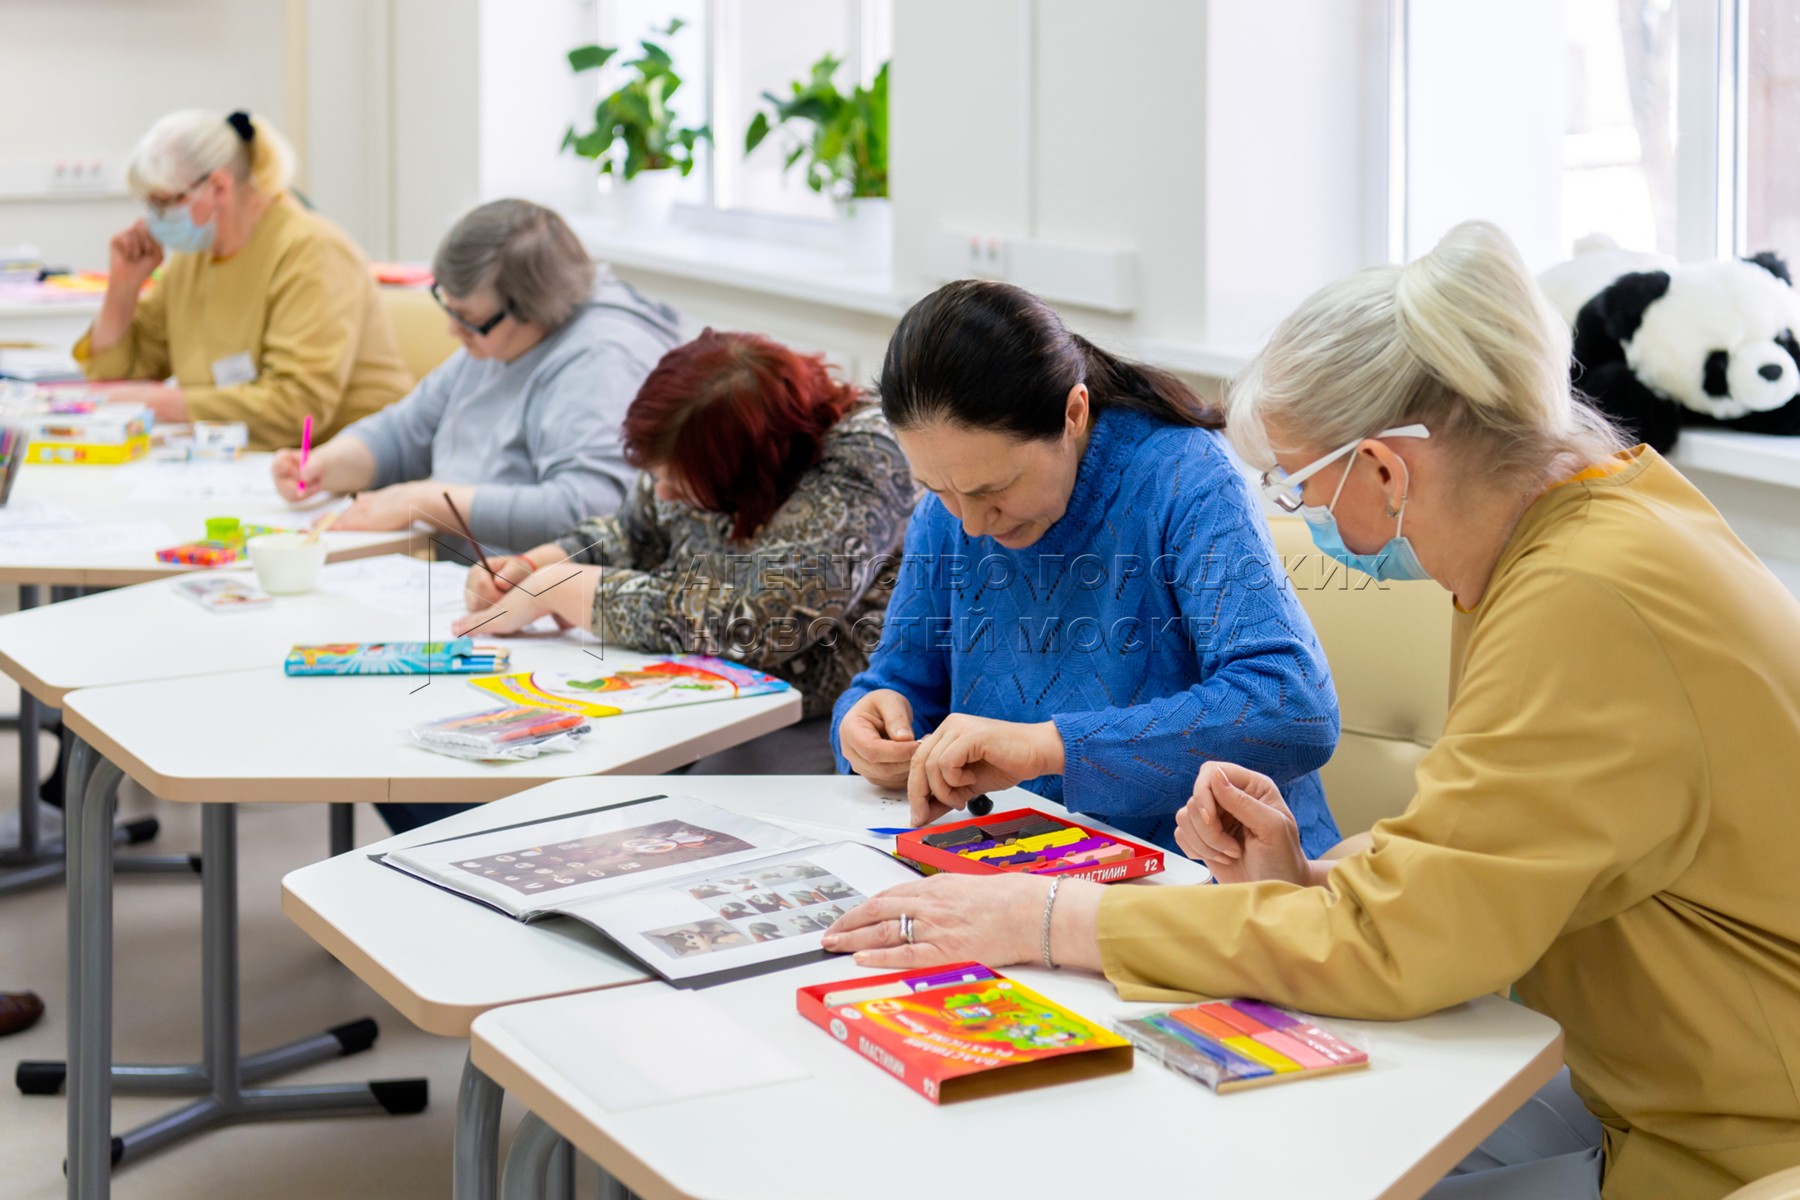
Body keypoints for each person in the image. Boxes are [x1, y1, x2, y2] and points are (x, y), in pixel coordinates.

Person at [822, 223, 1800, 1200]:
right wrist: (1314, 876)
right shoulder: (1593, 525)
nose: (1300, 518)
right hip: (1629, 1062)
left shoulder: (1582, 600)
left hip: (1719, 1131)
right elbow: (1495, 843)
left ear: (1384, 469)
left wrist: (1052, 917)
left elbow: (1399, 940)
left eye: (1296, 485)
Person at [828, 280, 1341, 853]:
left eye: (995, 488)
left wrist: (1052, 748)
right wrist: (865, 724)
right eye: (938, 489)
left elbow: (1292, 708)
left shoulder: (1186, 479)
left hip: (1209, 880)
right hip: (1018, 864)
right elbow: (899, 683)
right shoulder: (949, 512)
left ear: (1074, 413)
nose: (971, 523)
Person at [362, 329, 912, 835]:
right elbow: (635, 530)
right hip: (707, 684)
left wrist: (568, 589)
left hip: (820, 709)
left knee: (689, 825)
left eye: (677, 478)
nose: (665, 491)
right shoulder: (705, 445)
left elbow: (759, 619)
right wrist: (541, 562)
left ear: (746, 469)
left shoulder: (863, 461)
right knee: (492, 766)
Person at [273, 199, 683, 552]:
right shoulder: (498, 338)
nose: (453, 331)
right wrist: (329, 464)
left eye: (468, 319)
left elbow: (588, 510)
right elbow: (406, 430)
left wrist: (429, 501)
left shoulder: (603, 359)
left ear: (532, 309)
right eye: (448, 308)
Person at [77, 109, 410, 448]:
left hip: (351, 467)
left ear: (219, 187)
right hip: (248, 464)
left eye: (165, 203)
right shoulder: (194, 259)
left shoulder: (312, 251)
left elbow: (296, 411)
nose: (154, 218)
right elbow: (114, 379)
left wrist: (158, 402)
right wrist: (123, 286)